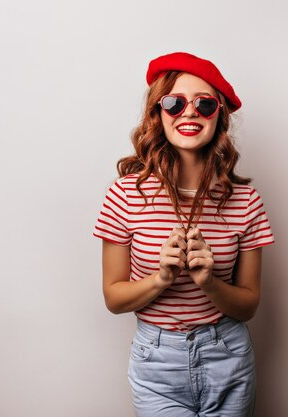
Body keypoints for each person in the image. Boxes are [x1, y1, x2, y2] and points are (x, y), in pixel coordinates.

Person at [93, 51, 275, 417]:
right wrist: (160, 278)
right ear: (157, 114)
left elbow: (249, 305)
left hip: (228, 355)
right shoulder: (125, 194)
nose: (189, 112)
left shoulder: (245, 200)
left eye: (204, 105)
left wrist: (209, 282)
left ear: (218, 117)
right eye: (175, 103)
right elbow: (114, 298)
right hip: (157, 361)